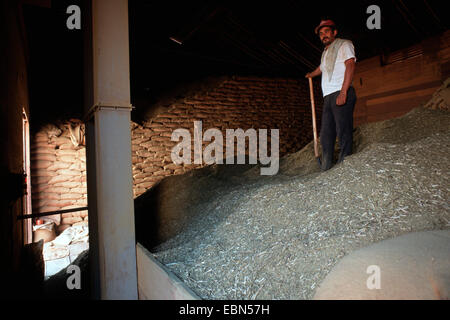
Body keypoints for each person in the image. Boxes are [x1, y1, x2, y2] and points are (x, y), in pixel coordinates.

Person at [306, 19, 357, 171]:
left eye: (327, 32)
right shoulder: (325, 53)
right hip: (328, 97)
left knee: (343, 129)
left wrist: (343, 92)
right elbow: (322, 68)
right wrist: (311, 75)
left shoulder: (344, 44)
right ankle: (326, 167)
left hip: (340, 92)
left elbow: (350, 65)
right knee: (326, 133)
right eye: (321, 34)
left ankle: (345, 165)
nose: (324, 35)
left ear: (334, 32)